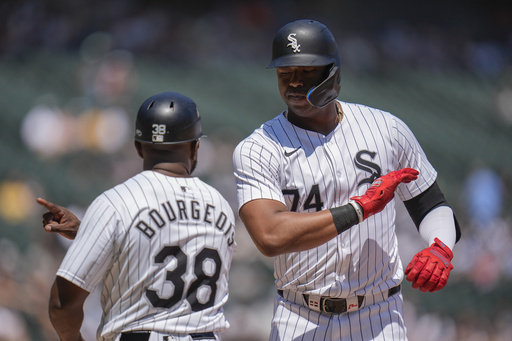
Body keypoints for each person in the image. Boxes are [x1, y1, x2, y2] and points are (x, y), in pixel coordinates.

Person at [232, 19, 461, 340]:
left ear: (333, 73)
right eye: (286, 74)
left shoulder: (387, 129)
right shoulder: (259, 148)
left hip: (380, 315)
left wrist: (441, 248)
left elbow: (430, 203)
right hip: (300, 315)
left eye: (306, 72)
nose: (294, 83)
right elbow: (270, 236)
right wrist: (358, 209)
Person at [37, 92, 237, 341]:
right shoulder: (220, 205)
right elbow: (176, 239)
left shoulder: (114, 204)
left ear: (139, 147)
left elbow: (61, 305)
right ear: (196, 146)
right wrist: (89, 231)